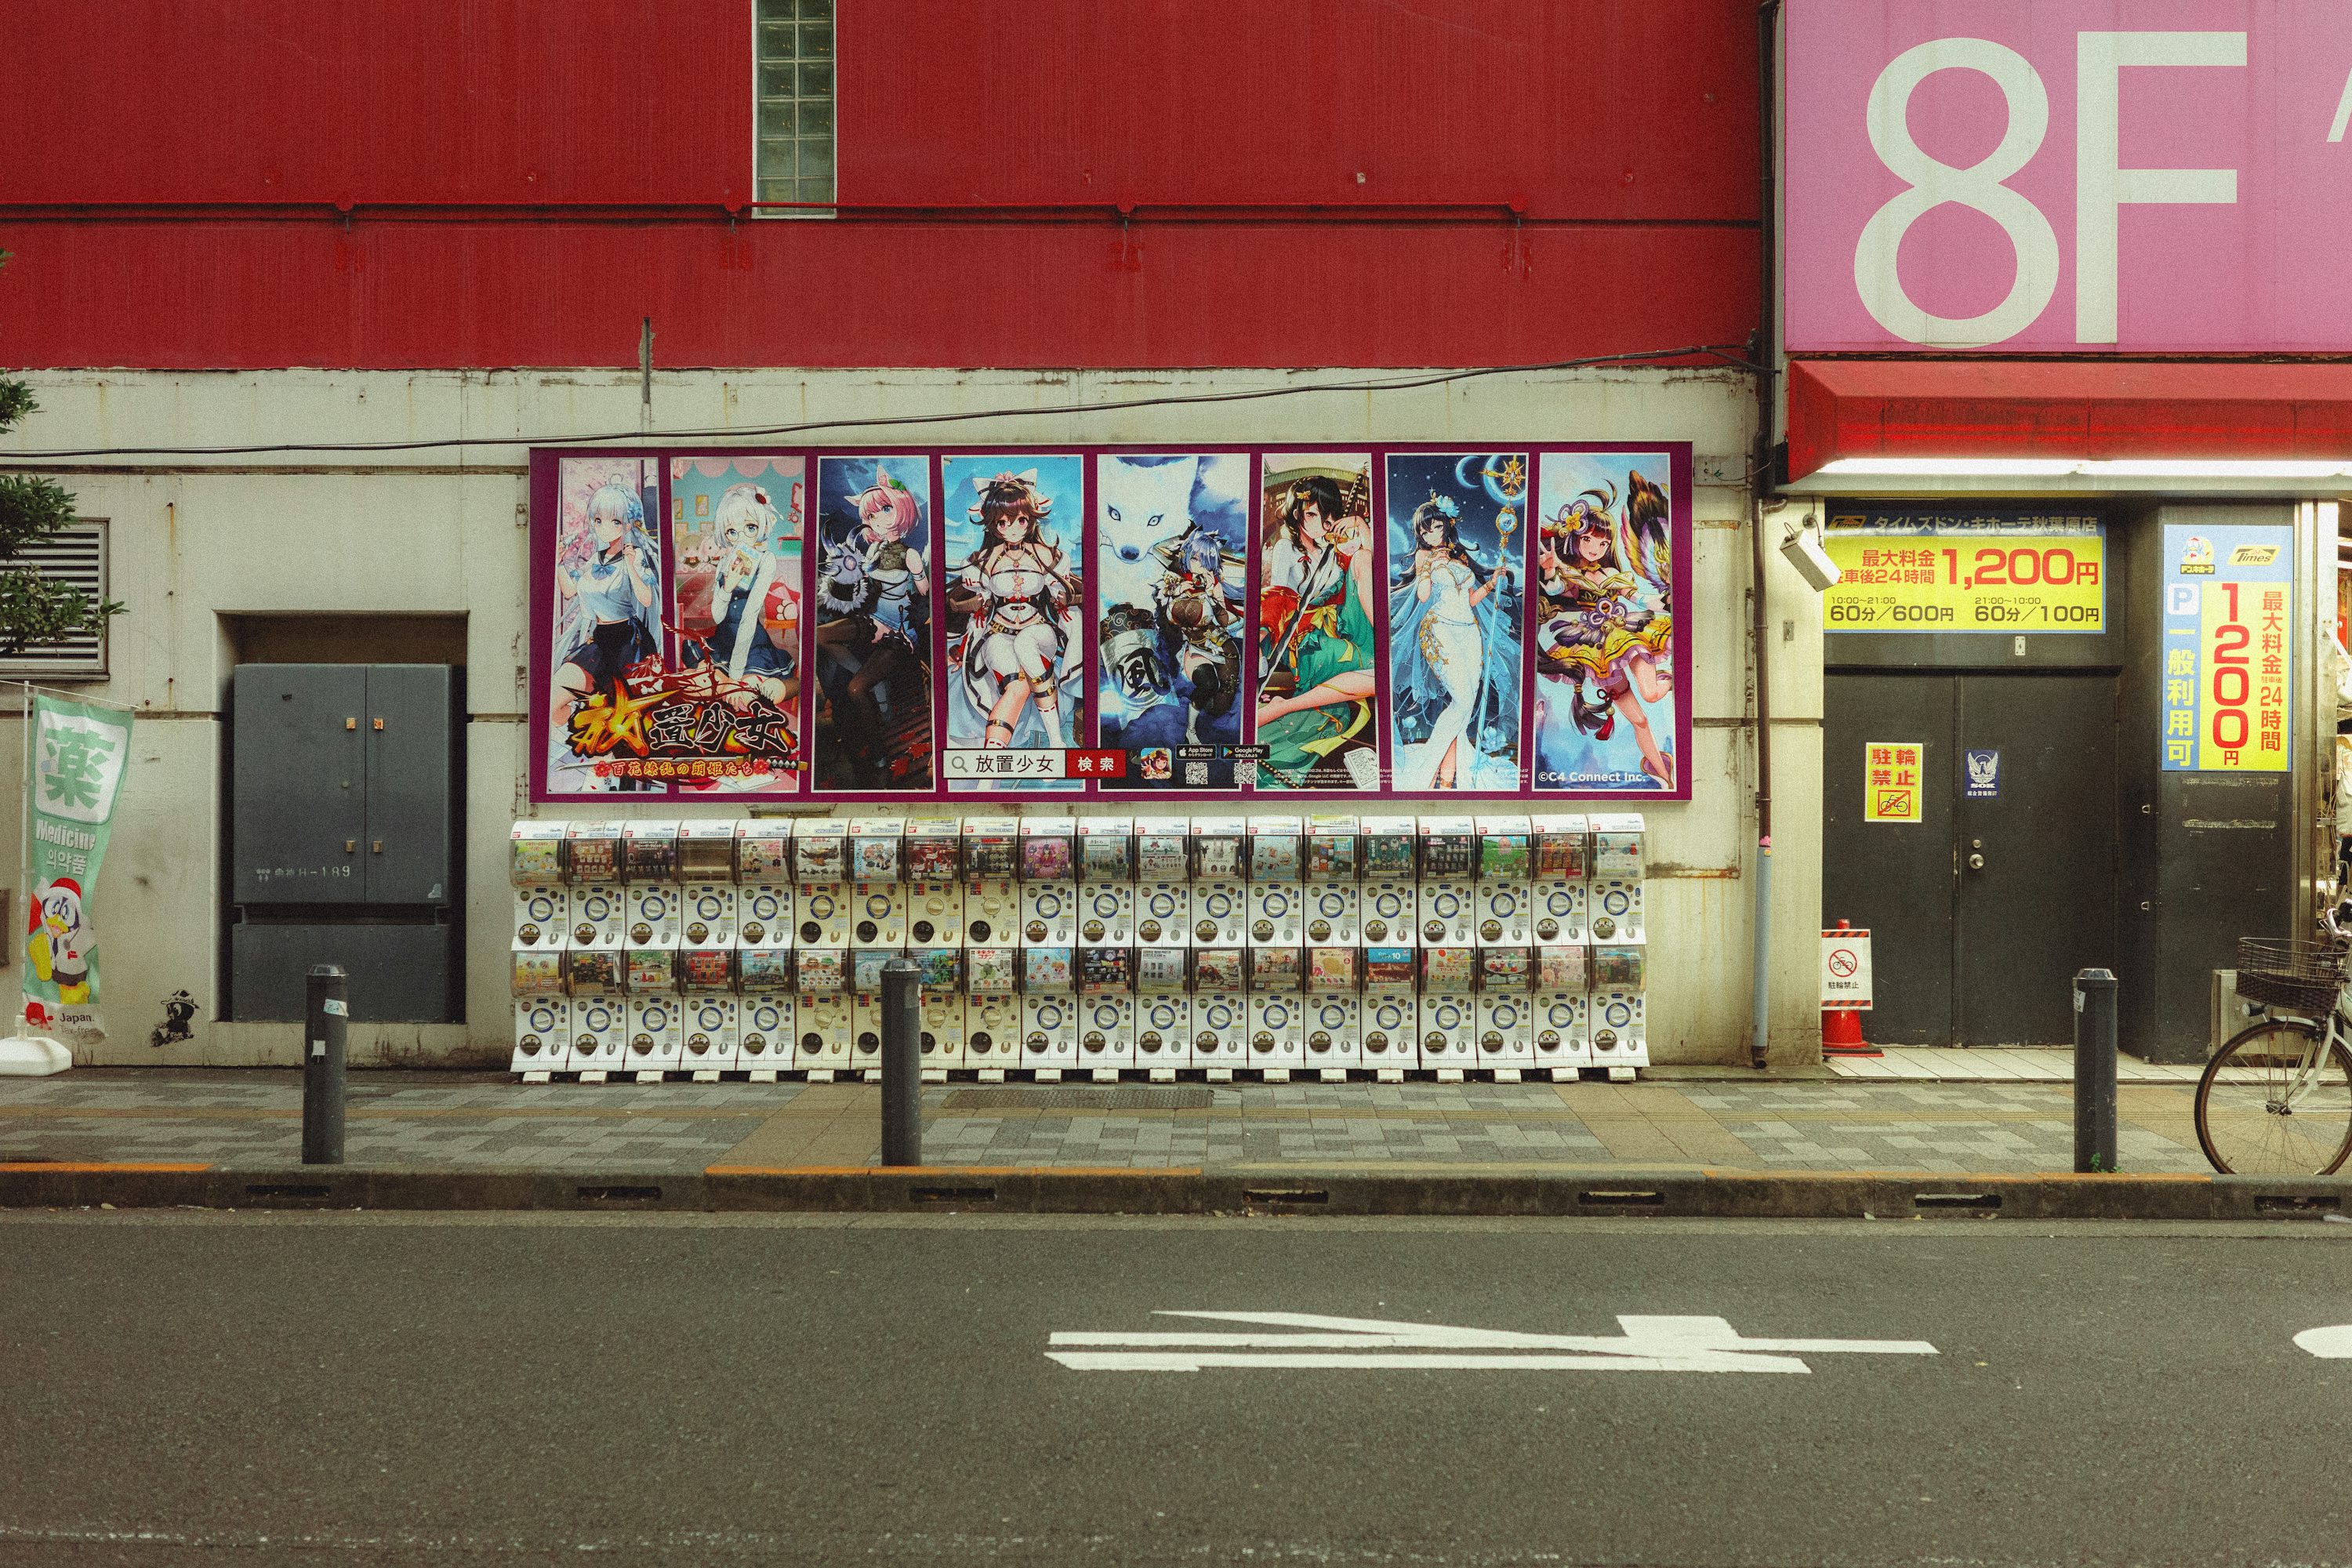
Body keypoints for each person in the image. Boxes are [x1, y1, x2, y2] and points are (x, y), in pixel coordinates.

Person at [1534, 474, 1675, 789]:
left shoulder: (1612, 572)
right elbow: (1557, 588)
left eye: (1603, 542)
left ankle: (1671, 677)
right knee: (1639, 719)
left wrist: (1663, 601)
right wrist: (1549, 570)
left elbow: (1636, 596)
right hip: (1595, 648)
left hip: (1629, 633)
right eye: (1588, 540)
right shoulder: (1569, 574)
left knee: (1652, 694)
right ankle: (1663, 774)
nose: (1596, 547)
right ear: (1577, 539)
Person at [1255, 473, 1377, 788]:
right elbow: (1278, 598)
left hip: (1345, 625)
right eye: (1310, 514)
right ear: (1297, 514)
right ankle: (1284, 707)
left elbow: (1375, 569)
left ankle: (1385, 641)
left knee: (1364, 557)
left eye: (1325, 515)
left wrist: (1362, 529)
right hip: (1307, 635)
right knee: (1376, 675)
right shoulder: (1286, 547)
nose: (1319, 523)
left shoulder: (1334, 546)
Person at [1389, 493, 1516, 789]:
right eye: (1425, 531)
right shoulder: (1425, 557)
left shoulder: (1459, 555)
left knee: (1467, 701)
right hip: (1439, 629)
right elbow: (1423, 596)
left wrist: (1491, 582)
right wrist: (1427, 568)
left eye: (1435, 527)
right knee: (1461, 699)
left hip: (1468, 631)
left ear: (1446, 525)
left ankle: (1447, 779)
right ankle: (1426, 772)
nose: (1432, 534)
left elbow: (1470, 599)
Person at [949, 471, 1078, 750]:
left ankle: (1056, 741)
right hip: (999, 631)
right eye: (1004, 522)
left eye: (1021, 519)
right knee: (1017, 686)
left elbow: (1062, 590)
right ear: (993, 524)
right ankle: (993, 757)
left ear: (1031, 518)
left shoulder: (1045, 554)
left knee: (1026, 641)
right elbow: (973, 597)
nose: (1014, 527)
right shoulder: (981, 560)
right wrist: (979, 605)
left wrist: (1061, 599)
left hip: (1038, 629)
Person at [551, 478, 660, 741]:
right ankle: (587, 739)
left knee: (622, 721)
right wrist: (558, 563)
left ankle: (604, 768)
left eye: (615, 522)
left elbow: (646, 599)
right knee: (553, 701)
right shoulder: (595, 560)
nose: (604, 528)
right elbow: (569, 592)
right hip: (599, 641)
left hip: (627, 643)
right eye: (598, 520)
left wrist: (632, 568)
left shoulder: (635, 558)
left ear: (629, 523)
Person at [681, 481, 800, 716]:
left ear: (761, 525)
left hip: (751, 643)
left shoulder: (766, 561)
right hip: (723, 641)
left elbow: (749, 616)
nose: (741, 538)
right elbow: (717, 616)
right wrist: (727, 587)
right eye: (732, 532)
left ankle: (782, 686)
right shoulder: (724, 562)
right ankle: (726, 686)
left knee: (754, 693)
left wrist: (735, 676)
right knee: (694, 685)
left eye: (750, 528)